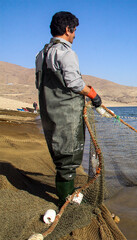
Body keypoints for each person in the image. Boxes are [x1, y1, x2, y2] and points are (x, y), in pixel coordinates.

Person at [35, 11, 102, 207]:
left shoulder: (41, 54)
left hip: (49, 113)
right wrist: (93, 95)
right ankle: (66, 198)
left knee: (59, 153)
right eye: (74, 31)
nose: (74, 36)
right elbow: (74, 83)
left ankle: (66, 192)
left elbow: (40, 84)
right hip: (67, 115)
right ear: (67, 29)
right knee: (69, 155)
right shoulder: (66, 53)